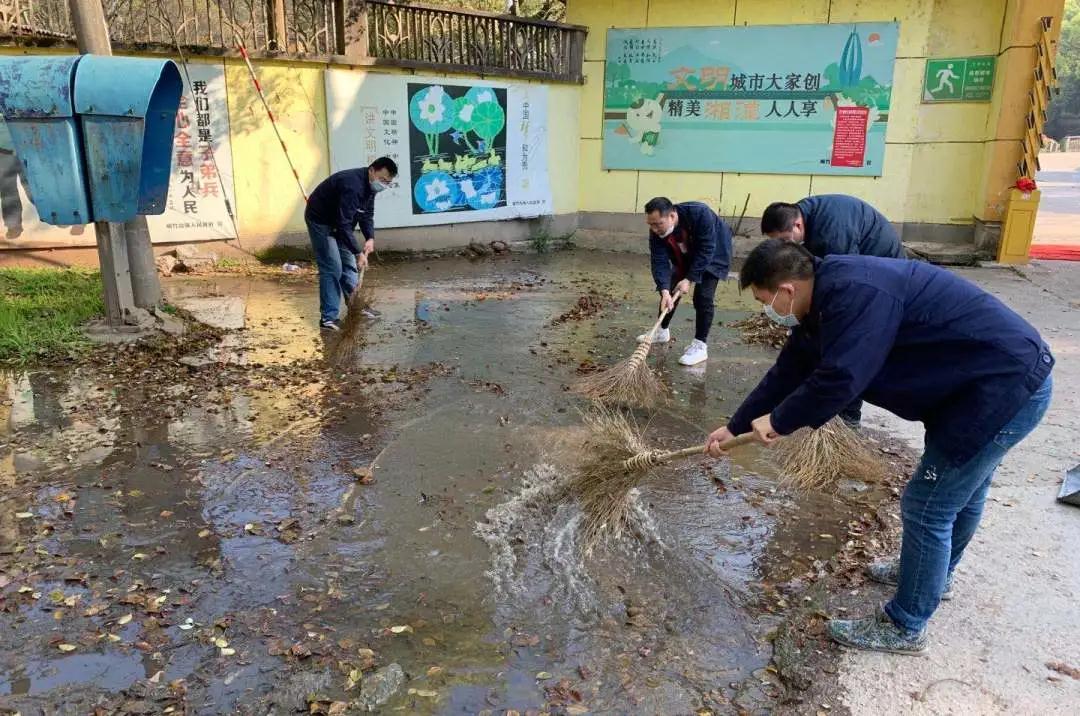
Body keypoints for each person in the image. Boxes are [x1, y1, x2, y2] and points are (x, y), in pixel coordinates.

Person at [705, 239, 1054, 655]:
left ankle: (905, 625)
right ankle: (933, 576)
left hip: (1004, 388)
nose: (768, 312)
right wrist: (736, 426)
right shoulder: (821, 302)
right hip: (973, 387)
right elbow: (789, 371)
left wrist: (780, 421)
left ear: (786, 291)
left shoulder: (857, 295)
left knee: (928, 506)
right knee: (963, 492)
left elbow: (841, 377)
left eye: (765, 301)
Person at [762, 194, 903, 426]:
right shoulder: (803, 218)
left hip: (884, 277)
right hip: (865, 273)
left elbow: (842, 287)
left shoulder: (832, 236)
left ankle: (848, 419)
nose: (785, 247)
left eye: (786, 240)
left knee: (848, 345)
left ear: (797, 225)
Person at [304, 157, 398, 330]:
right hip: (321, 221)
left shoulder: (371, 187)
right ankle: (328, 318)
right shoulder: (352, 185)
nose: (383, 185)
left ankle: (356, 307)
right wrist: (358, 252)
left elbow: (366, 214)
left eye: (388, 182)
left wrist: (370, 237)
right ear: (372, 170)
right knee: (333, 267)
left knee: (349, 267)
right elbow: (343, 224)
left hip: (340, 224)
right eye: (382, 180)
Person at [642, 197, 733, 366]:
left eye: (658, 224)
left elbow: (707, 248)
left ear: (672, 216)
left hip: (715, 252)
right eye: (651, 225)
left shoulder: (699, 213)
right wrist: (664, 291)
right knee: (670, 288)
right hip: (686, 252)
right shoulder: (657, 230)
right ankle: (662, 331)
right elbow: (659, 260)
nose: (654, 229)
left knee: (703, 297)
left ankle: (700, 345)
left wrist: (690, 279)